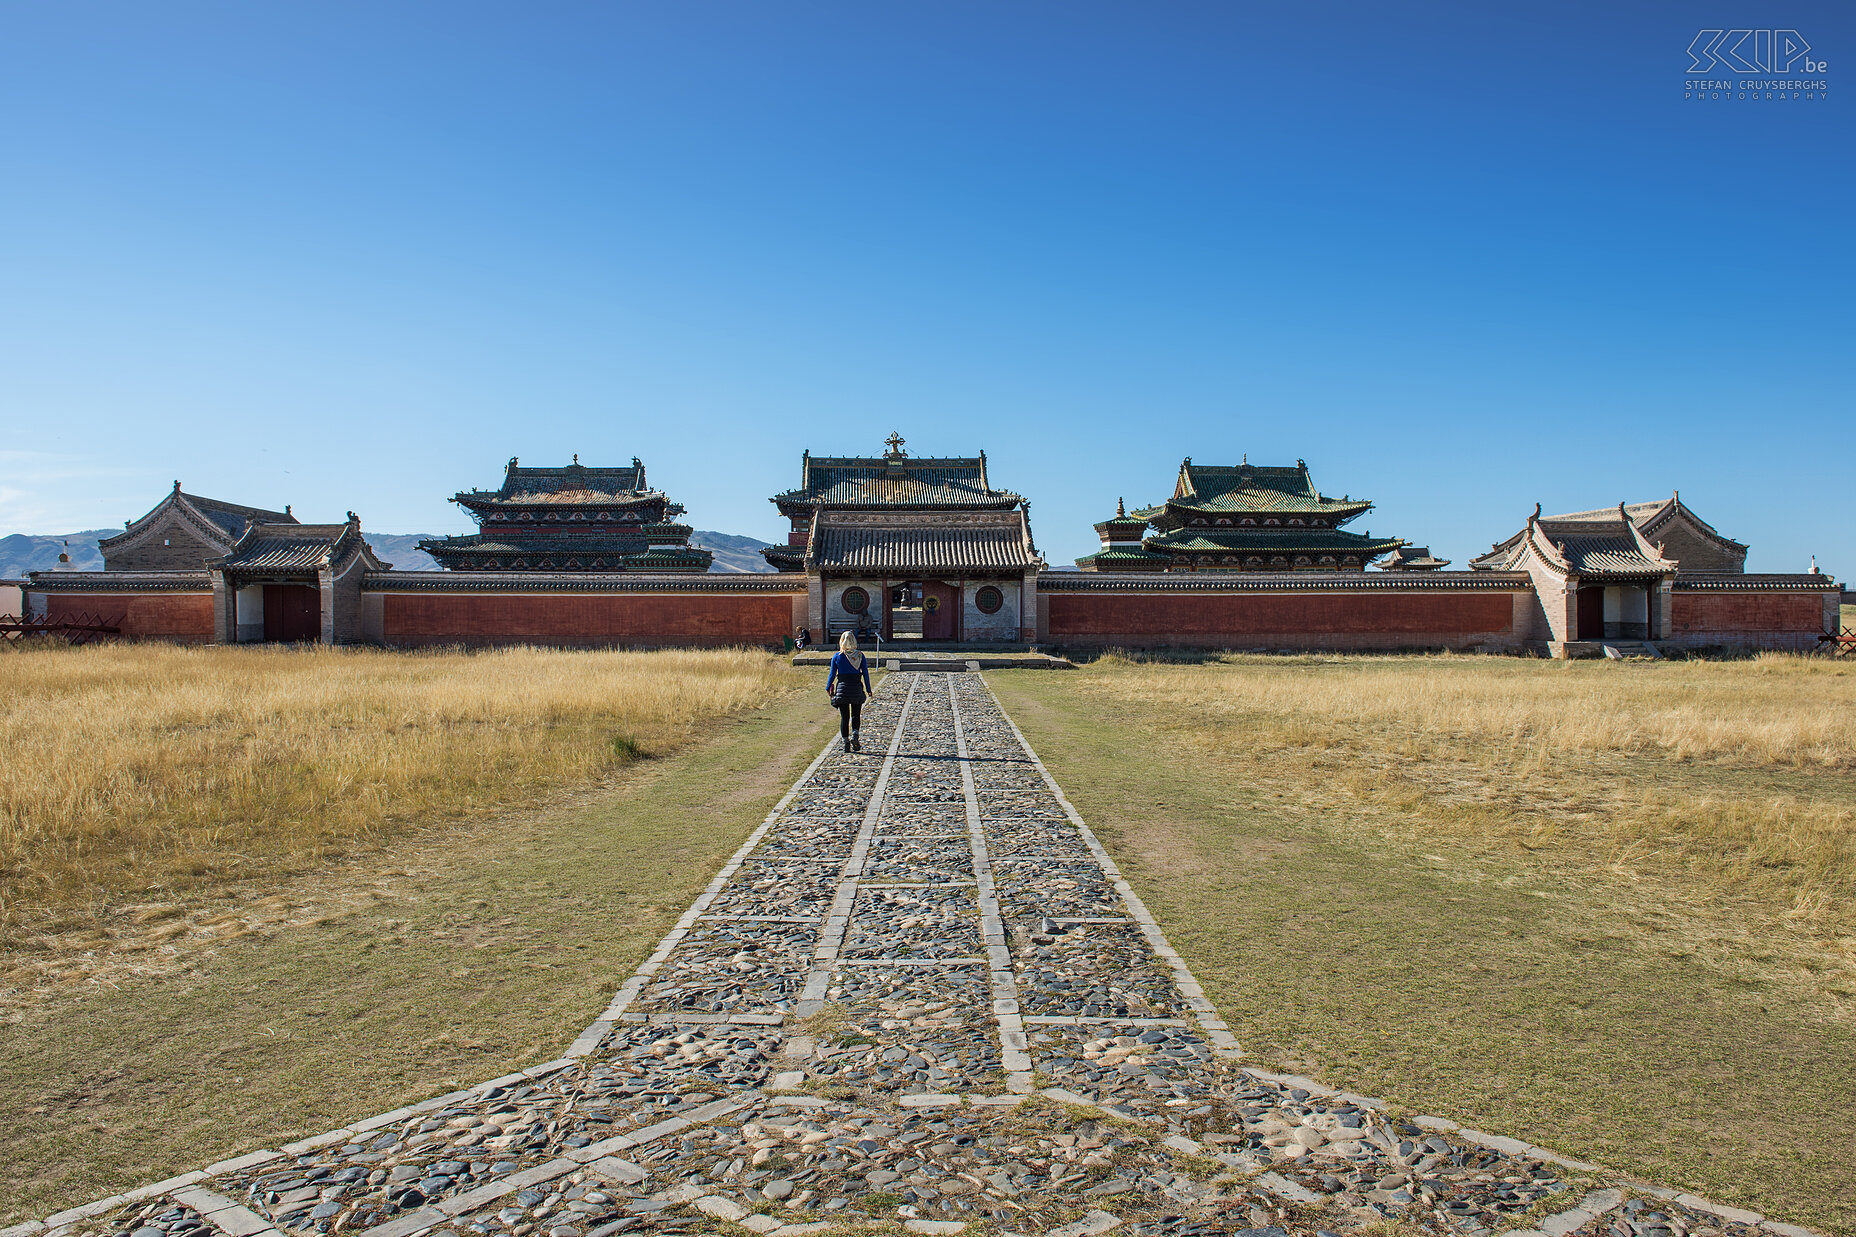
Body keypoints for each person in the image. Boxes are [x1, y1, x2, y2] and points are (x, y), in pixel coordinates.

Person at [826, 631, 873, 752]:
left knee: (844, 717)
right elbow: (865, 674)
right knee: (856, 715)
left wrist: (828, 687)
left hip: (842, 688)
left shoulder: (837, 656)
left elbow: (832, 674)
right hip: (856, 687)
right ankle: (855, 735)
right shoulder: (860, 656)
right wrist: (868, 689)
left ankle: (846, 742)